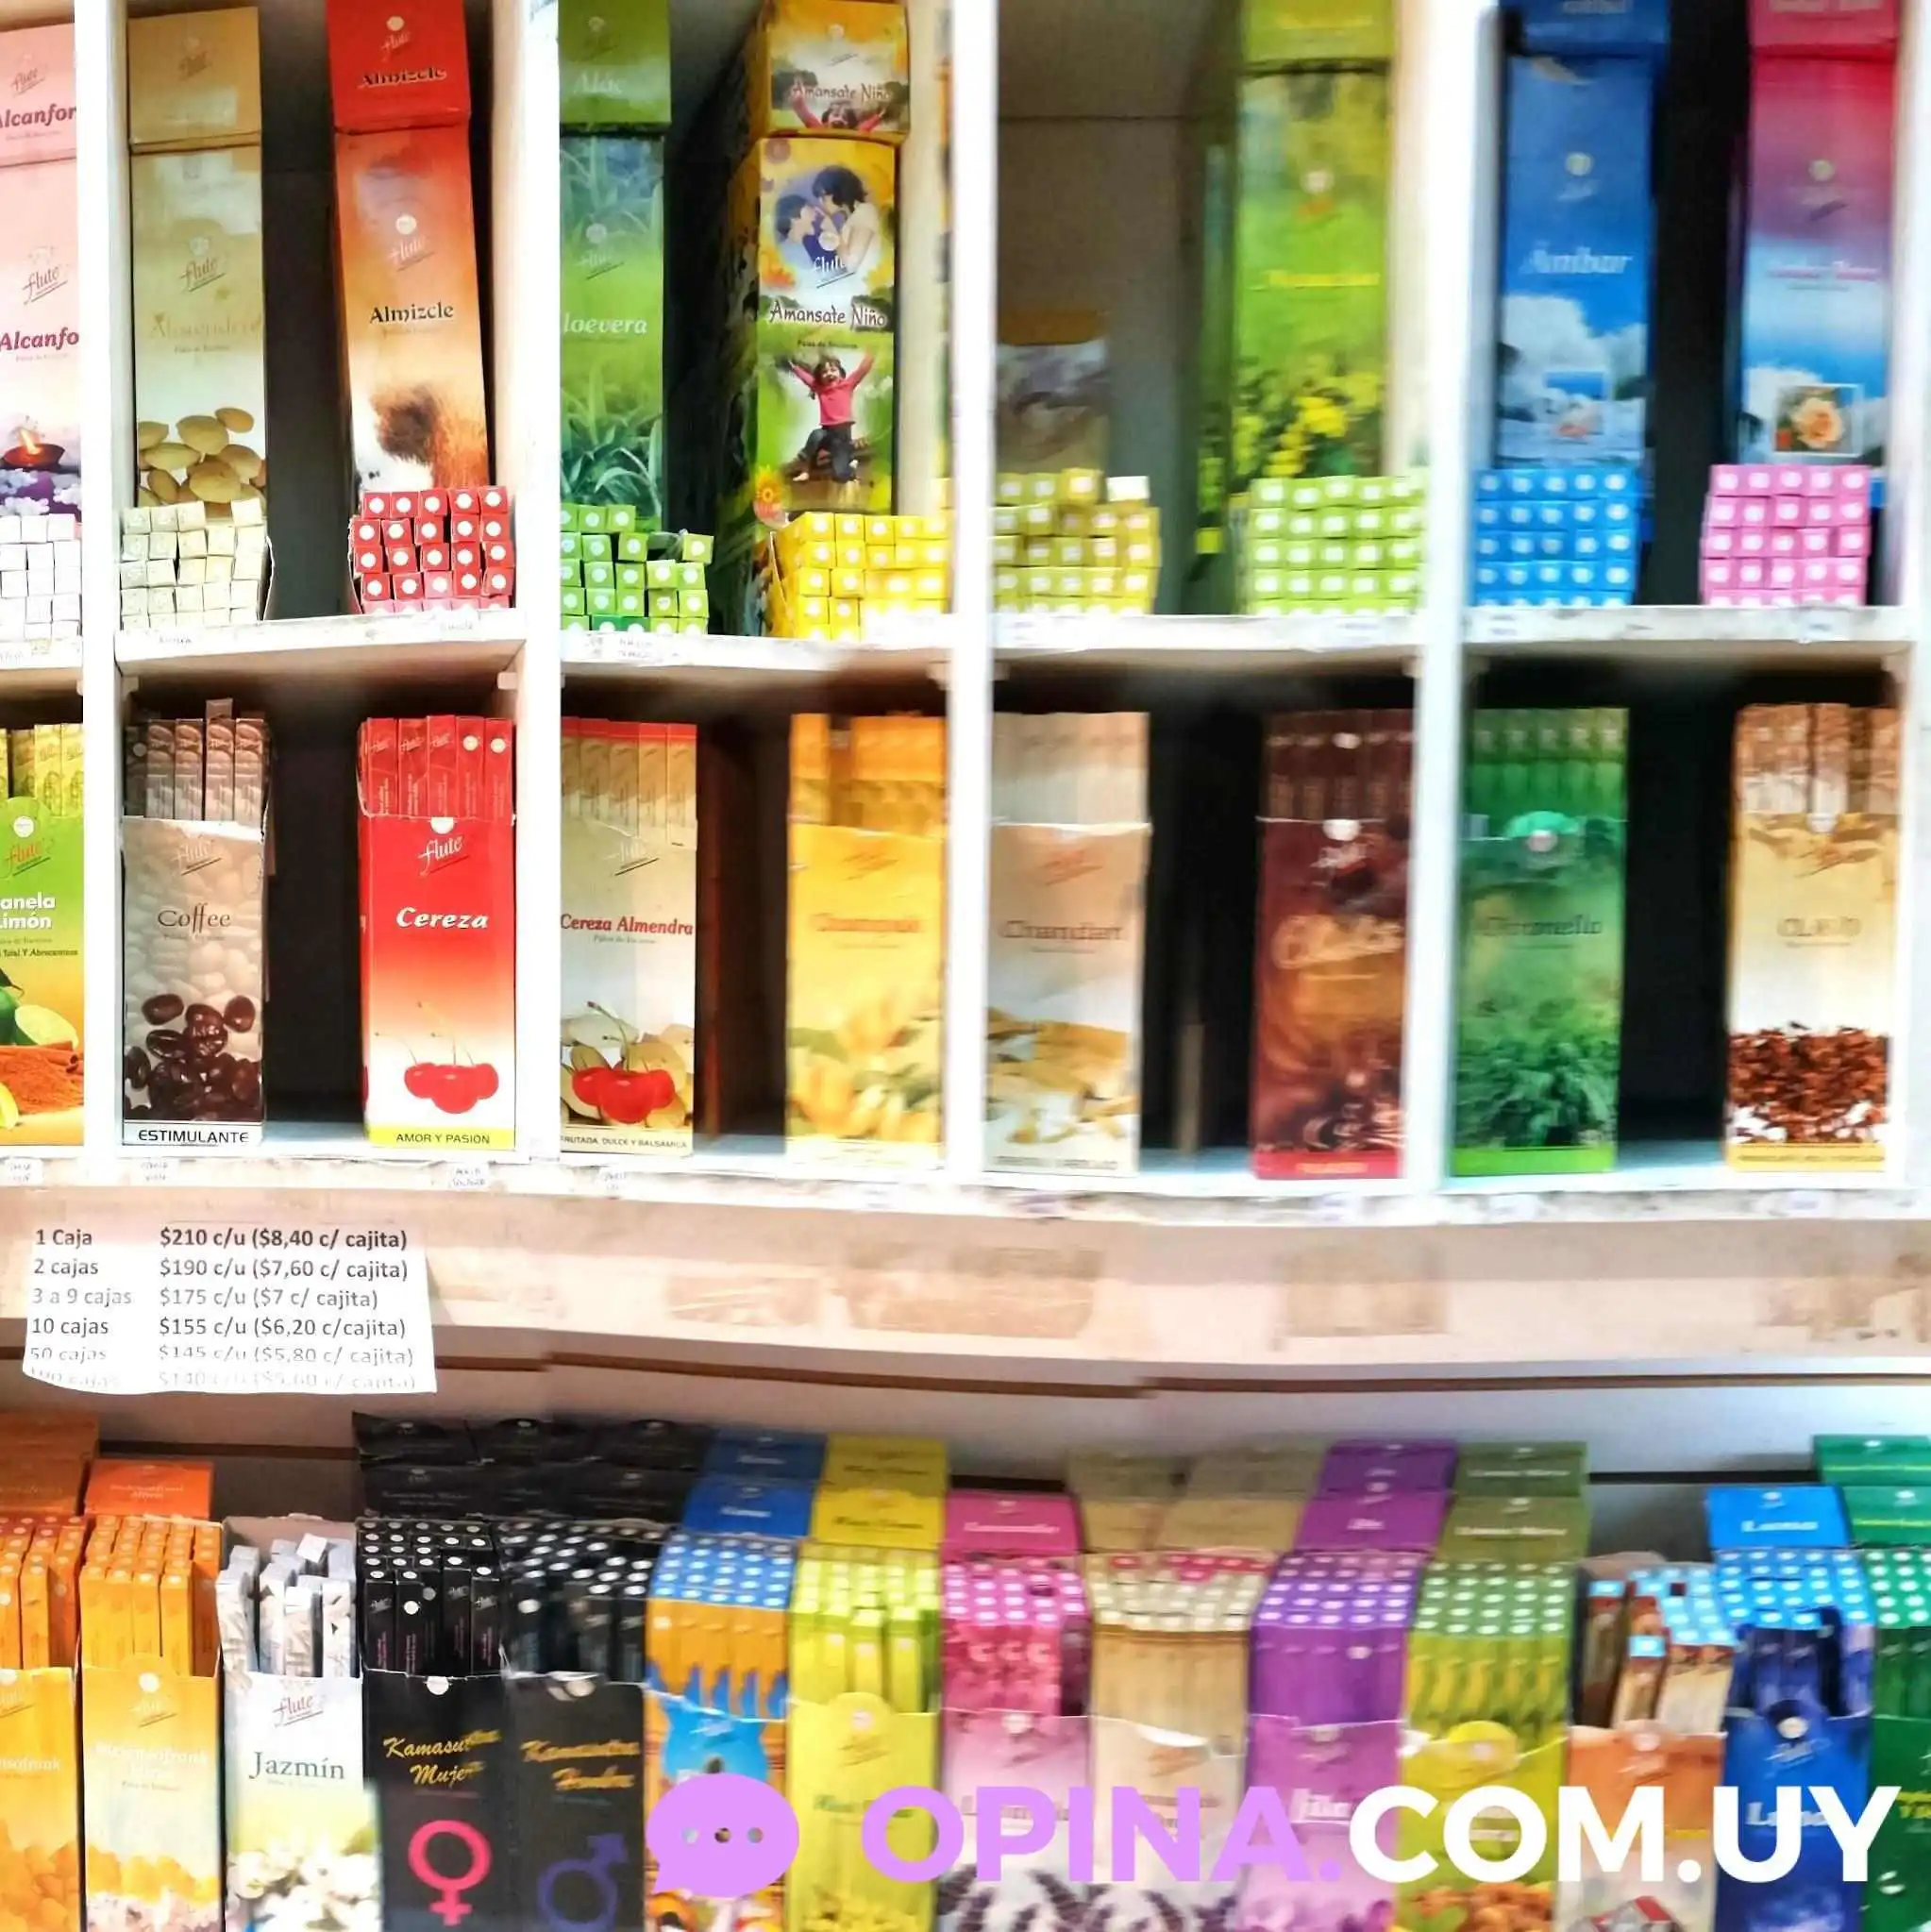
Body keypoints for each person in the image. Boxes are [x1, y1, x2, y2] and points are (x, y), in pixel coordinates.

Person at [782, 352, 875, 483]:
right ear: (820, 378)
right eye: (824, 372)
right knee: (816, 435)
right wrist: (793, 367)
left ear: (840, 373)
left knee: (839, 475)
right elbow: (806, 378)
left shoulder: (847, 385)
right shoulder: (820, 389)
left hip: (842, 439)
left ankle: (850, 469)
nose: (829, 374)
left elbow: (862, 370)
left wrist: (872, 353)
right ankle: (805, 471)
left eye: (833, 370)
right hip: (827, 434)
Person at [812, 165, 881, 275]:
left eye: (823, 196)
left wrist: (832, 230)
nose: (821, 202)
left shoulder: (864, 211)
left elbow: (851, 265)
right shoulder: (850, 219)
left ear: (838, 191)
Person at [789, 78, 889, 134]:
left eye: (844, 118)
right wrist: (798, 97)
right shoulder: (820, 130)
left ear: (849, 125)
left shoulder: (853, 135)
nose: (839, 119)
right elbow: (806, 116)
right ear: (827, 119)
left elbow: (864, 128)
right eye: (836, 114)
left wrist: (879, 116)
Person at [774, 193, 838, 272]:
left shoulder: (817, 244)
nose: (816, 211)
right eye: (809, 207)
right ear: (793, 218)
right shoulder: (783, 256)